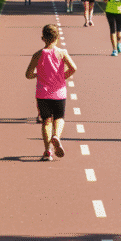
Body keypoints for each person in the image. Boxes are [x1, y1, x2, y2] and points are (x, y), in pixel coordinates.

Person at [25, 24, 77, 161]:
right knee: (59, 118)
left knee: (46, 122)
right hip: (59, 92)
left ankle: (47, 151)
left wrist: (37, 75)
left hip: (42, 93)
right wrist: (62, 77)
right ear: (57, 37)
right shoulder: (62, 53)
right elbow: (73, 68)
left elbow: (28, 74)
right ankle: (56, 137)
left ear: (43, 38)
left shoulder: (38, 54)